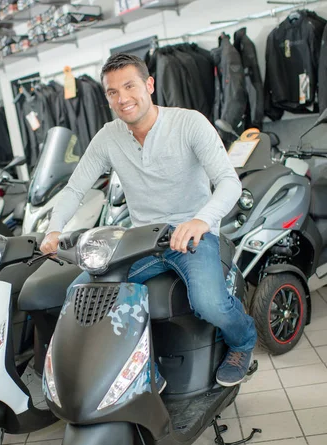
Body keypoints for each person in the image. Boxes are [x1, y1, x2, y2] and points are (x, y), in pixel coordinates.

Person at [41, 52, 257, 387]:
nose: (122, 98)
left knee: (209, 303)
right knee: (82, 293)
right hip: (143, 239)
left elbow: (229, 182)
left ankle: (243, 341)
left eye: (129, 86)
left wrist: (201, 221)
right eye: (113, 92)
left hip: (193, 236)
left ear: (150, 85)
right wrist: (54, 229)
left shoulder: (189, 123)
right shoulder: (108, 137)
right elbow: (74, 188)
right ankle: (141, 370)